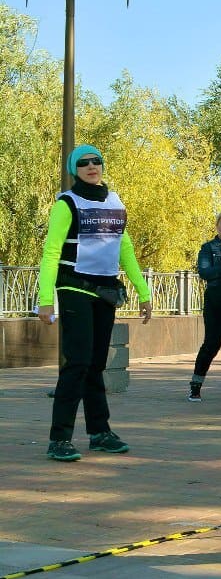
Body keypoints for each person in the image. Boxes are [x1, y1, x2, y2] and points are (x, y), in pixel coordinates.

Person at [36, 144, 153, 461]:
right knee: (77, 363)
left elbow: (124, 248)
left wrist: (143, 292)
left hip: (106, 292)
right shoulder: (66, 204)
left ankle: (99, 432)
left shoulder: (115, 201)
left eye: (96, 161)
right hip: (75, 288)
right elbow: (51, 253)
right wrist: (45, 299)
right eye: (83, 163)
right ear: (75, 170)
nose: (91, 166)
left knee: (96, 365)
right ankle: (59, 438)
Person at [188, 210, 221, 402]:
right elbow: (204, 272)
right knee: (211, 344)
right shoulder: (208, 247)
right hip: (215, 302)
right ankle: (195, 385)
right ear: (217, 226)